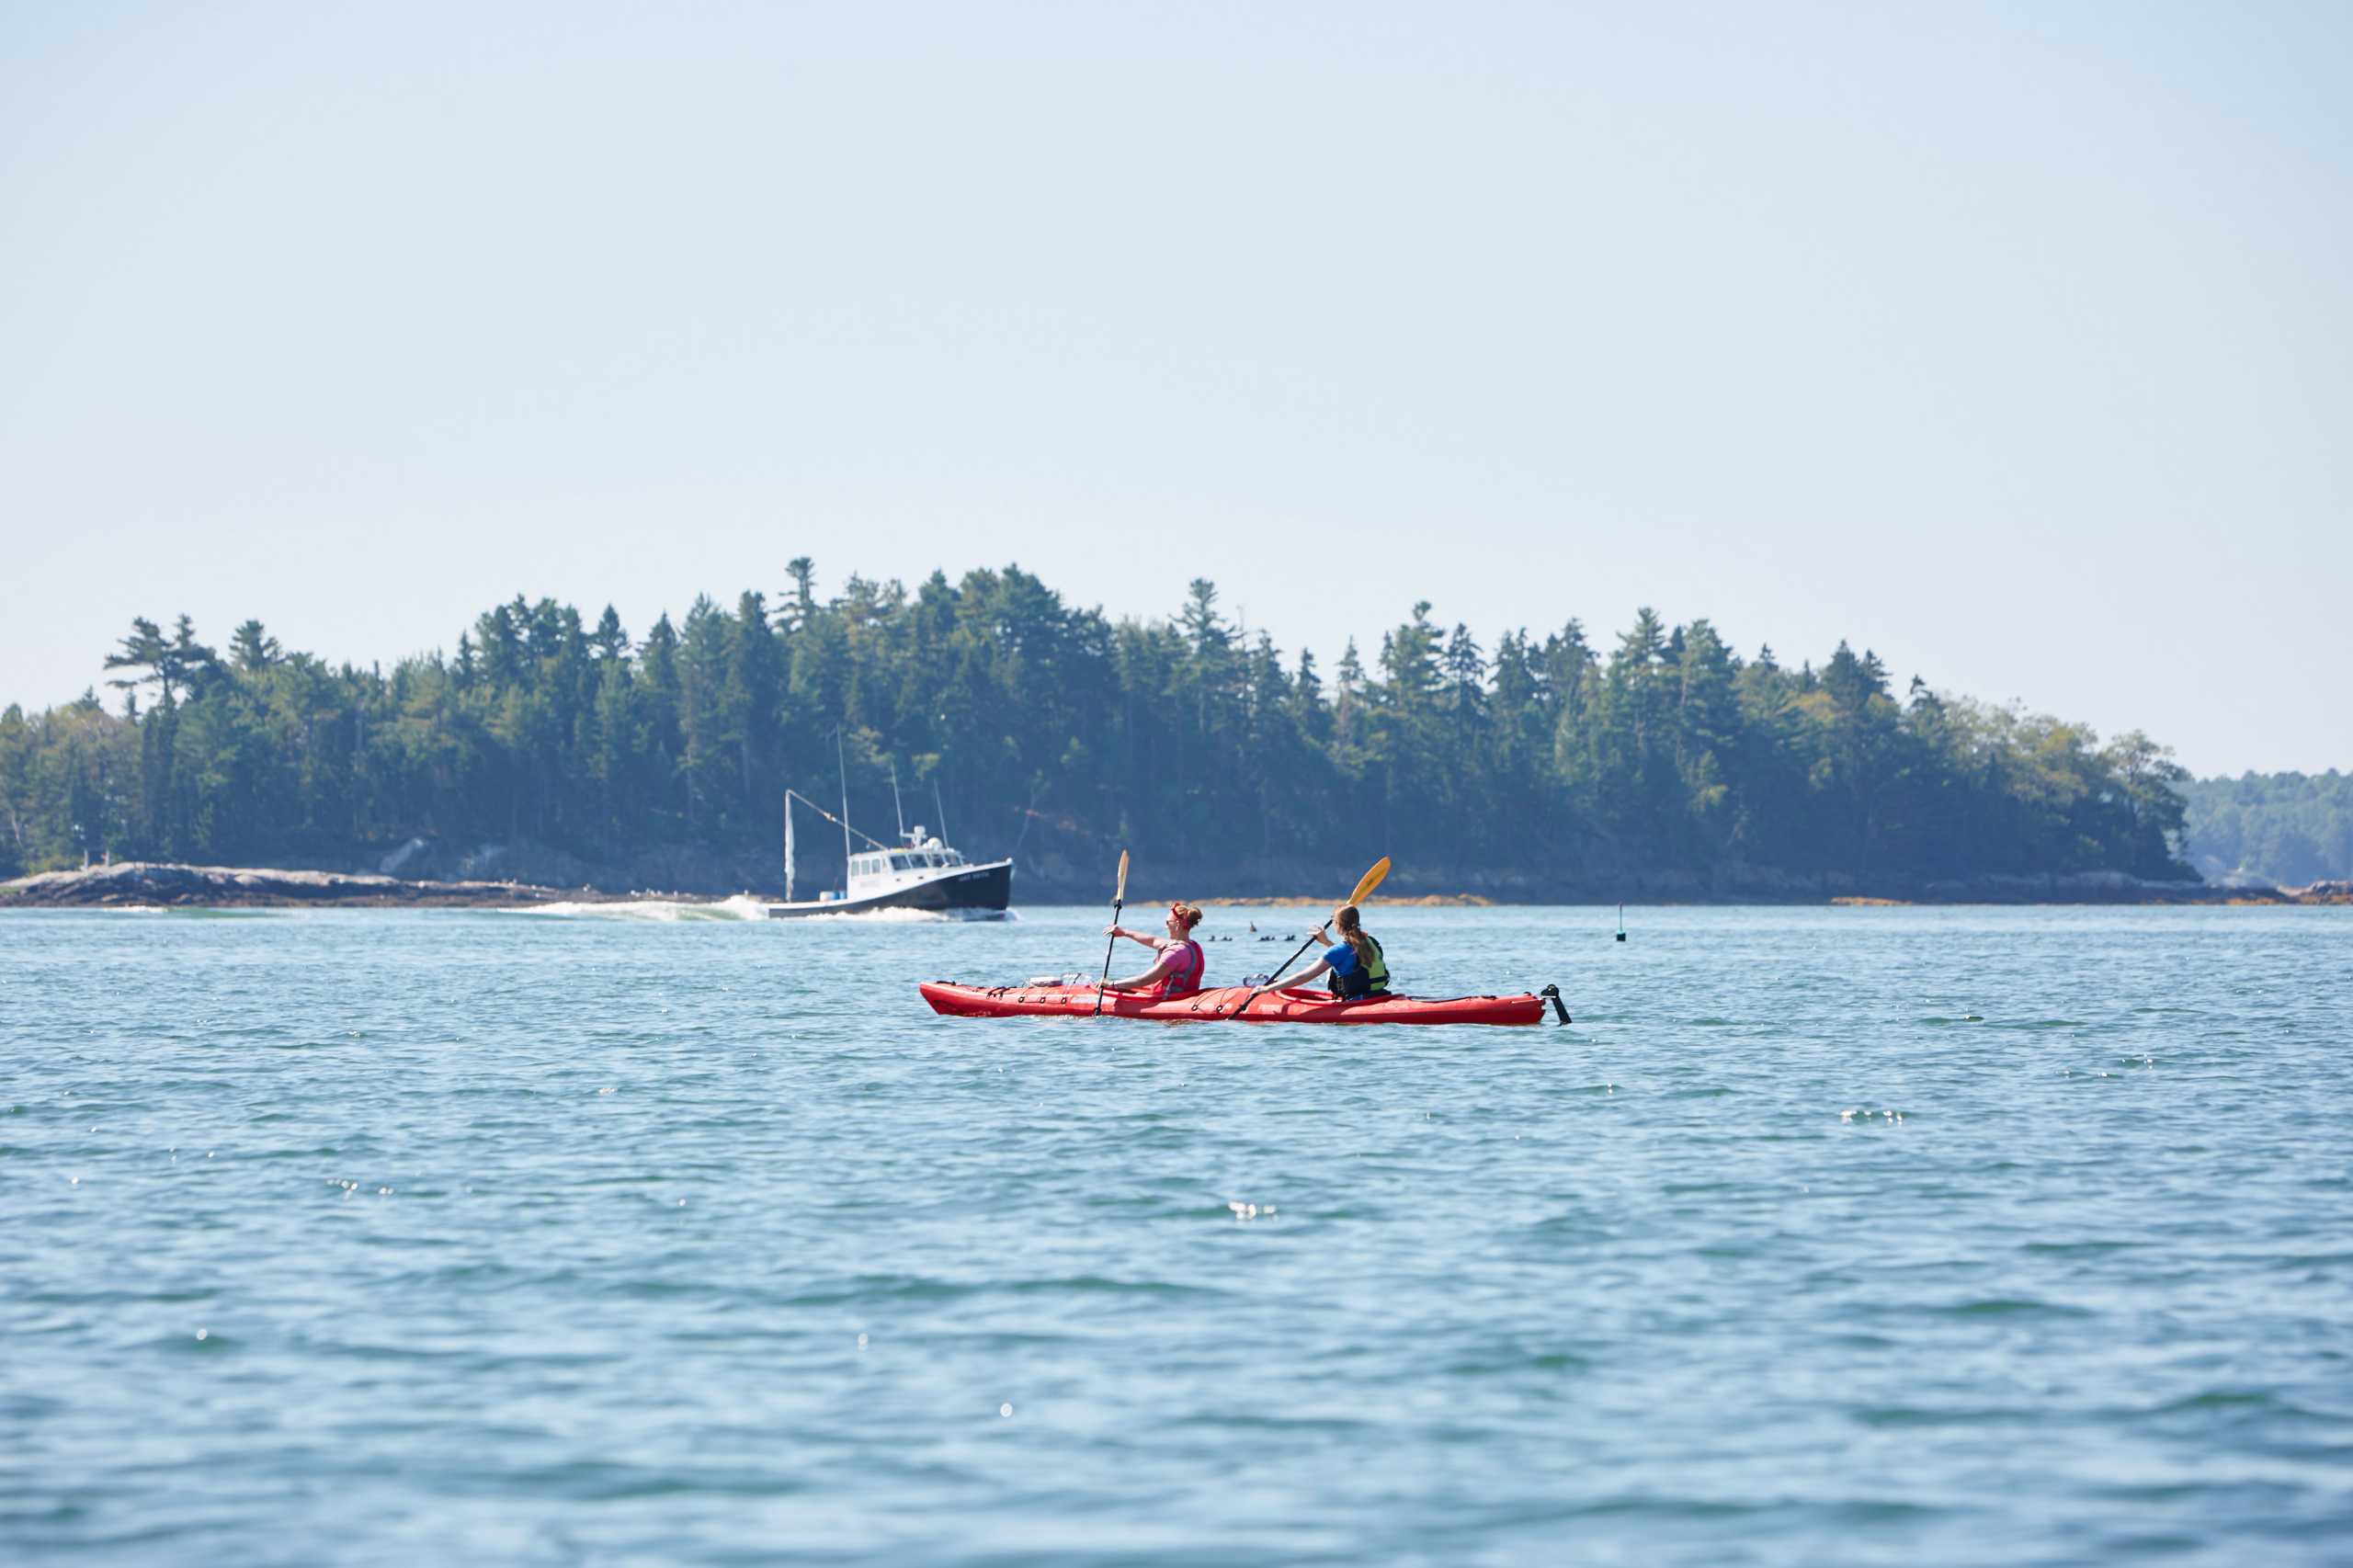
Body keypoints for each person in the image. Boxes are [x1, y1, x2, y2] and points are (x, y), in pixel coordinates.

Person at [1270, 903, 1389, 999]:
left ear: (1337, 924)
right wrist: (1326, 942)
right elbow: (1347, 957)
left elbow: (1302, 977)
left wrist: (1267, 989)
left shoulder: (1338, 951)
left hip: (1355, 1002)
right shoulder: (1371, 942)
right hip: (1380, 995)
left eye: (1333, 921)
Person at [1096, 903, 1208, 997]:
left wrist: (1112, 984)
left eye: (1167, 922)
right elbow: (1153, 940)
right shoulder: (1193, 946)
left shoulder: (1175, 953)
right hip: (1185, 997)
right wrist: (1124, 932)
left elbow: (1144, 980)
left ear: (1177, 924)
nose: (1166, 926)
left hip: (1168, 1000)